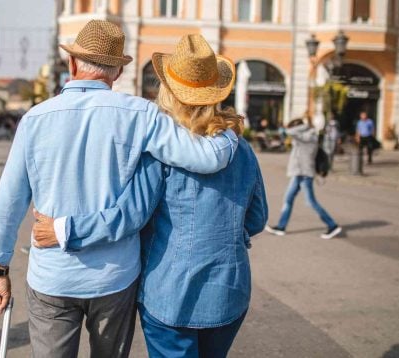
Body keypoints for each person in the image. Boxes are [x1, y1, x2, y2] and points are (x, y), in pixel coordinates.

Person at [0, 21, 238, 358]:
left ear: (72, 64)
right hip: (114, 278)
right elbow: (204, 158)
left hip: (53, 276)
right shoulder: (142, 115)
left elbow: (8, 203)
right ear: (116, 73)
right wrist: (230, 132)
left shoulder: (34, 119)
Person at [31, 34, 268, 358]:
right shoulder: (241, 149)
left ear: (168, 91)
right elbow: (257, 218)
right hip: (230, 291)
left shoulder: (162, 151)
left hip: (171, 295)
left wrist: (64, 229)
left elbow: (129, 217)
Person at [265, 117, 342, 239]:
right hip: (298, 173)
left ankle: (332, 225)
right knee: (288, 199)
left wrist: (300, 127)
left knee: (310, 202)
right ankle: (281, 227)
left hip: (304, 174)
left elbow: (289, 132)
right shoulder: (304, 136)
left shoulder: (308, 137)